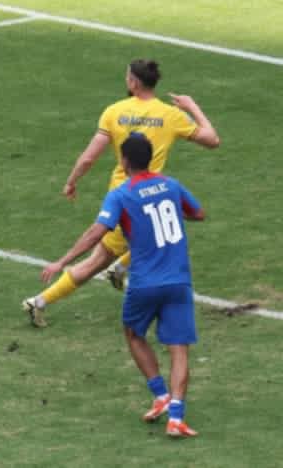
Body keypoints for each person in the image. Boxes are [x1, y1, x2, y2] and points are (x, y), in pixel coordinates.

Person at [23, 59, 219, 327]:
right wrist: (192, 106)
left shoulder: (114, 111)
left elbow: (89, 157)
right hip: (145, 194)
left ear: (134, 82)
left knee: (159, 234)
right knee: (98, 260)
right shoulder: (171, 115)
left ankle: (119, 268)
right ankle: (39, 301)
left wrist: (71, 181)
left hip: (124, 191)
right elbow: (212, 140)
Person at [46, 136, 204, 438]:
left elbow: (96, 233)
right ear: (150, 158)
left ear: (124, 161)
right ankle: (176, 418)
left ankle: (160, 395)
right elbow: (198, 213)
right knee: (179, 349)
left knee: (133, 334)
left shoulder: (121, 194)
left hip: (144, 283)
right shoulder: (171, 185)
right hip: (179, 281)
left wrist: (62, 261)